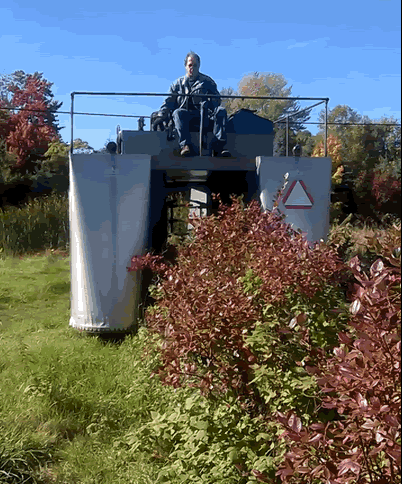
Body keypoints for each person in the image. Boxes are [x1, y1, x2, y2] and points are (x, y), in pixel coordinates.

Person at [153, 52, 230, 157]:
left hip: (205, 118)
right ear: (185, 66)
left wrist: (208, 102)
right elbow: (168, 101)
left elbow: (217, 101)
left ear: (199, 66)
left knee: (221, 111)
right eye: (190, 65)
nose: (192, 68)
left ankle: (219, 147)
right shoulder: (177, 84)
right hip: (186, 120)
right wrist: (161, 116)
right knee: (178, 112)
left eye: (195, 65)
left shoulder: (208, 82)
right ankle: (185, 146)